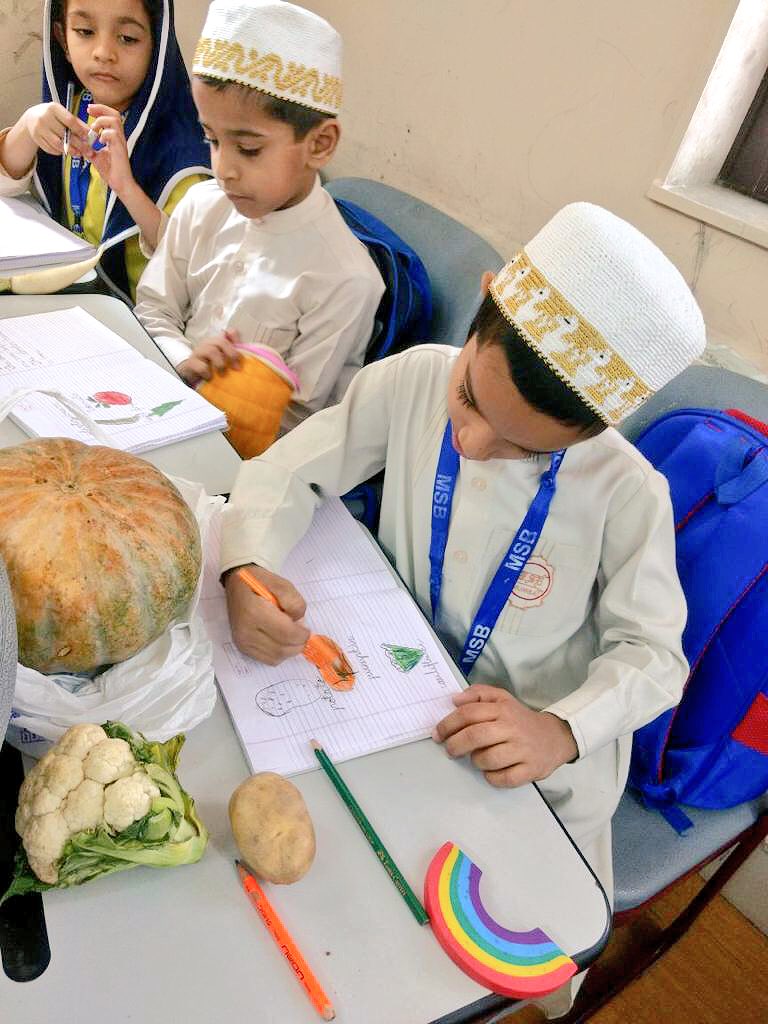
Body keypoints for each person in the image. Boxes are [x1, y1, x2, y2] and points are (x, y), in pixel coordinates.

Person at [217, 202, 706, 1015]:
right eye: (472, 400)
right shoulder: (413, 377)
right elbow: (293, 468)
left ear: (591, 432)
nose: (476, 443)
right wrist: (246, 563)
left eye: (525, 448)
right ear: (483, 306)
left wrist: (560, 730)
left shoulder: (628, 492)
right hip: (384, 690)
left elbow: (655, 658)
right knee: (344, 909)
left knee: (484, 963)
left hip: (522, 761)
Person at [134, 0, 384, 438]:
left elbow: (297, 422)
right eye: (211, 139)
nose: (224, 168)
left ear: (320, 144)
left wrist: (214, 392)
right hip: (159, 407)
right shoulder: (201, 206)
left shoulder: (345, 279)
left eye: (248, 149)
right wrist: (182, 361)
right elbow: (154, 310)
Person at [0, 0, 211, 301]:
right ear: (62, 38)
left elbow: (194, 263)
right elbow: (5, 186)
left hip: (143, 322)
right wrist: (26, 126)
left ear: (157, 45)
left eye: (127, 38)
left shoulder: (182, 154)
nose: (103, 53)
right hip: (75, 300)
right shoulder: (73, 109)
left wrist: (126, 187)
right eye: (85, 31)